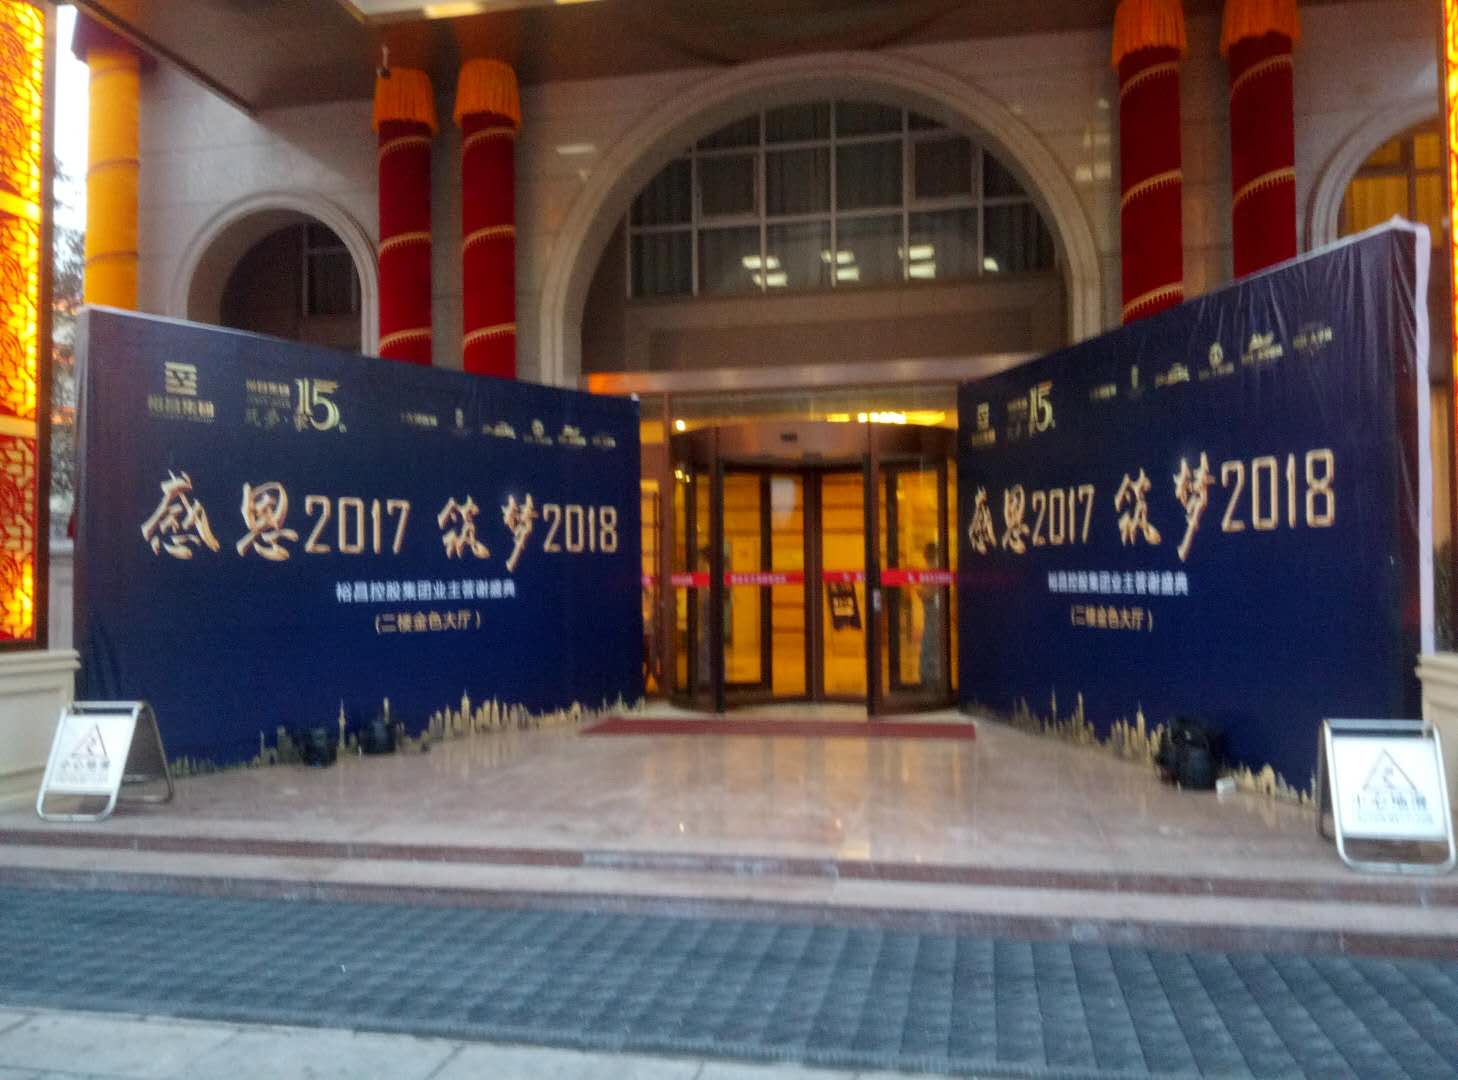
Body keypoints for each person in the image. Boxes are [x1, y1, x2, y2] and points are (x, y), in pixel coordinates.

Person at [918, 541, 944, 691]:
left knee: (929, 640)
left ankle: (928, 675)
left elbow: (929, 593)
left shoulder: (932, 571)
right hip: (932, 610)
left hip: (932, 610)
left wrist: (921, 593)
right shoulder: (934, 570)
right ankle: (929, 674)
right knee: (930, 640)